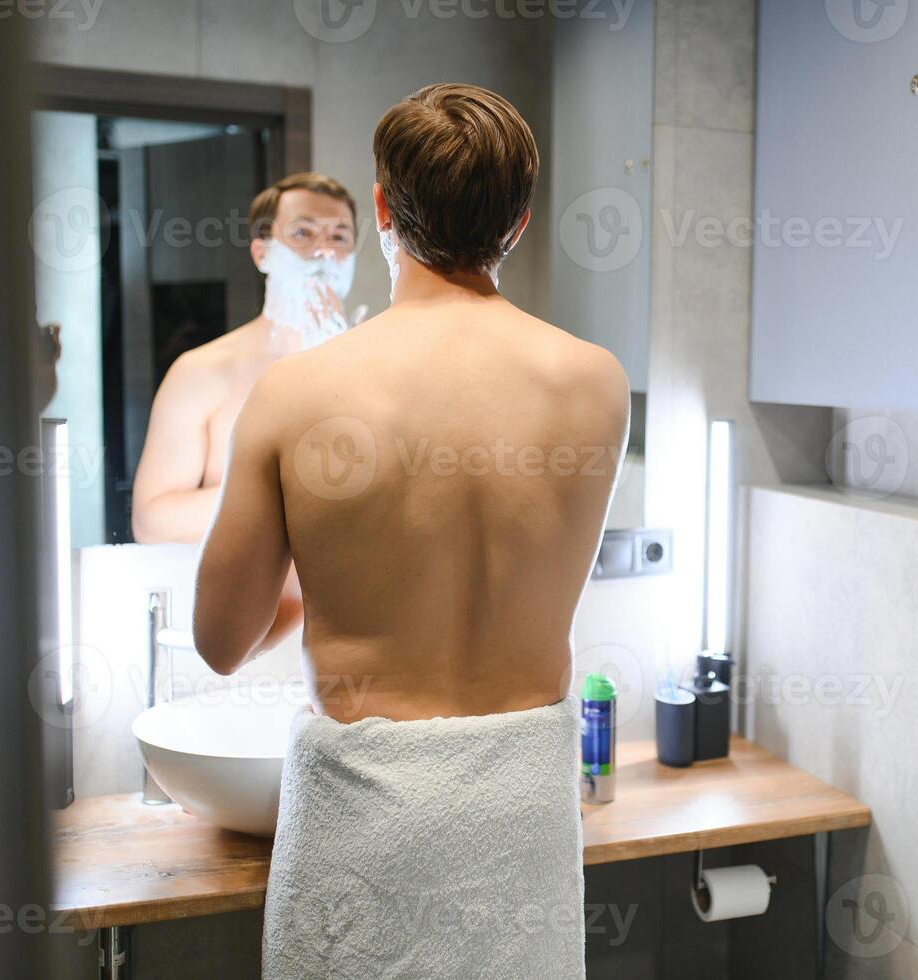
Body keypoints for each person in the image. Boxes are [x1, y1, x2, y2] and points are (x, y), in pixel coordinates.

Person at [193, 84, 628, 978]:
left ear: (383, 209)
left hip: (366, 823)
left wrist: (329, 561)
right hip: (522, 822)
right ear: (519, 220)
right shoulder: (595, 383)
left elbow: (219, 641)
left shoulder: (298, 394)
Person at [130, 172, 360, 546]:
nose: (324, 252)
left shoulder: (378, 366)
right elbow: (153, 523)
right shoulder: (202, 372)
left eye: (339, 236)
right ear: (262, 253)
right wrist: (285, 492)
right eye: (302, 233)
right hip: (251, 602)